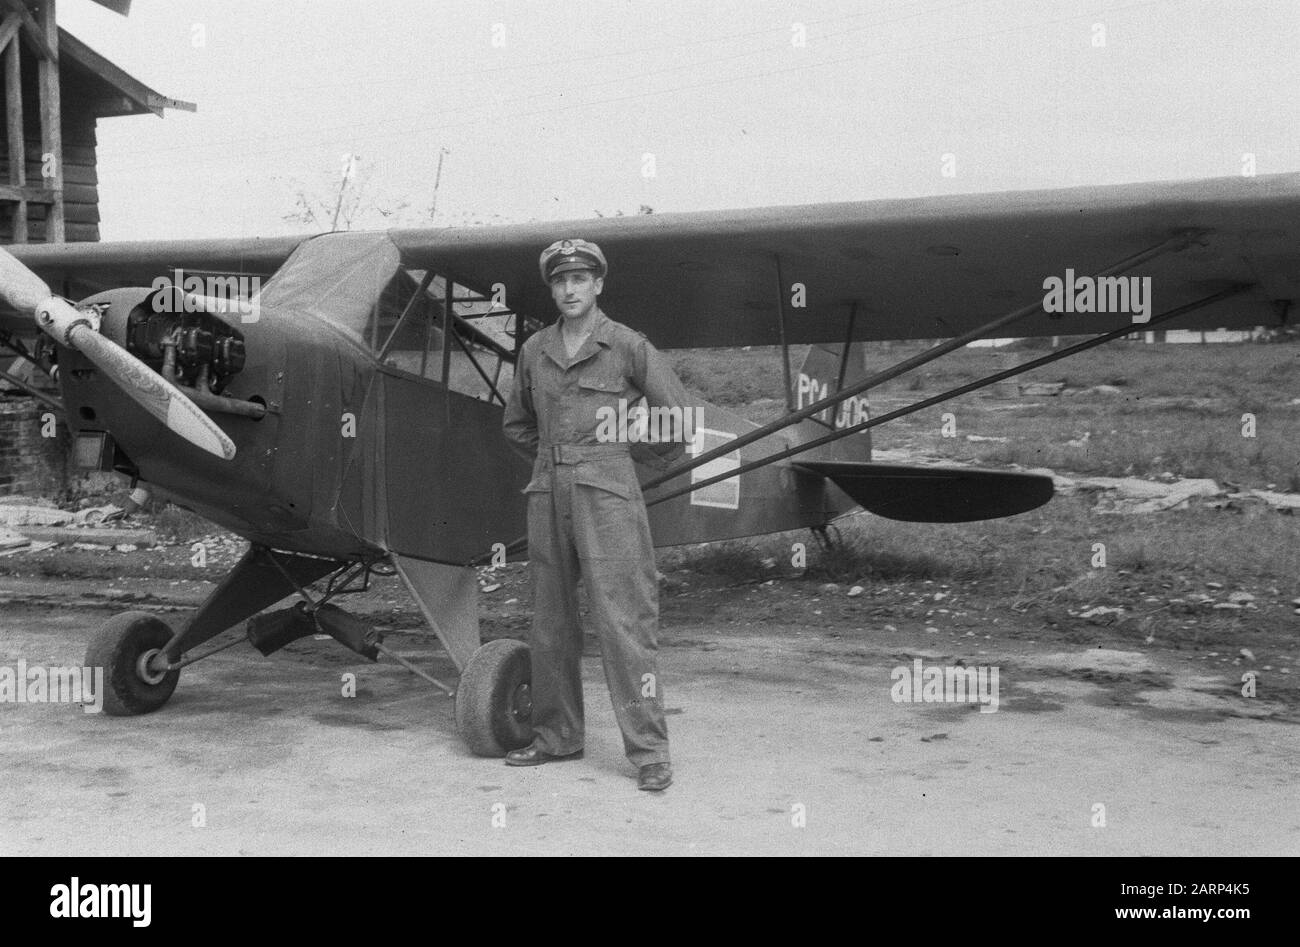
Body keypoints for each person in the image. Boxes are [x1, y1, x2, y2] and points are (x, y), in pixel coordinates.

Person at [502, 238, 693, 792]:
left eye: (580, 279)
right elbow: (517, 424)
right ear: (552, 288)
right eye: (560, 281)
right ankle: (556, 736)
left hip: (608, 492)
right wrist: (553, 462)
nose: (569, 289)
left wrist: (622, 461)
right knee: (551, 622)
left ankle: (650, 750)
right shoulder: (535, 350)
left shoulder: (628, 346)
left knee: (624, 623)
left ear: (598, 284)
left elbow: (678, 421)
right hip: (548, 490)